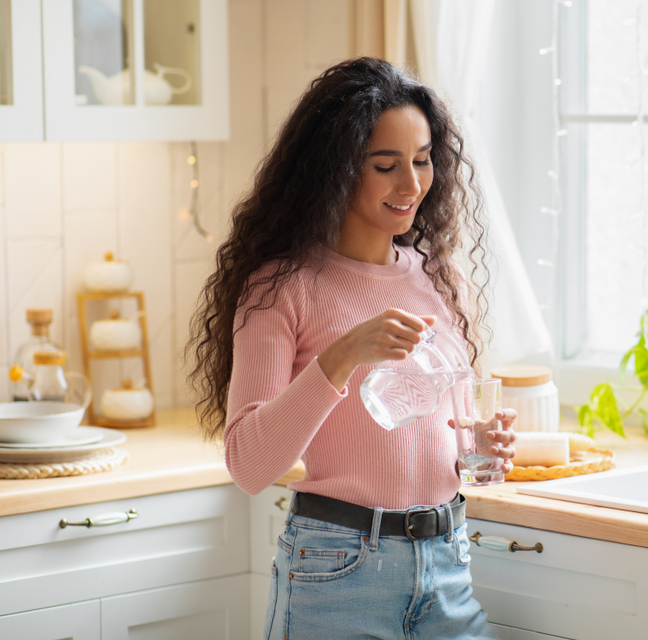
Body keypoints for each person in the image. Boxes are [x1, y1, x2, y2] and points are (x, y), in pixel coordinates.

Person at [187, 56, 517, 640]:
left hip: (447, 560)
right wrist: (340, 356)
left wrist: (479, 444)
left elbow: (432, 422)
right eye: (386, 165)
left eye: (422, 161)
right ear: (336, 169)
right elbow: (249, 465)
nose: (411, 184)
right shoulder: (282, 288)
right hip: (338, 570)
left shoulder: (438, 277)